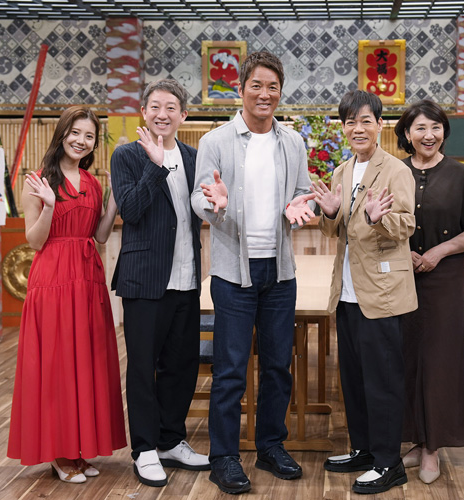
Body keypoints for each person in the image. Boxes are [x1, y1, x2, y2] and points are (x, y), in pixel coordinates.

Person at [192, 50, 316, 495]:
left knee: (278, 365)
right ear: (241, 89)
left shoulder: (292, 142)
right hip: (233, 273)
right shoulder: (216, 141)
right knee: (230, 368)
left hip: (280, 271)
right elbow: (199, 198)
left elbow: (302, 192)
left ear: (280, 92)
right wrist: (216, 204)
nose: (265, 94)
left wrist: (302, 206)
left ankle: (270, 445)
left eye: (273, 87)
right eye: (257, 85)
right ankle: (223, 457)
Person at [7, 106, 125, 482]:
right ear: (62, 134)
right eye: (76, 133)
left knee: (86, 363)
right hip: (53, 279)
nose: (81, 141)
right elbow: (35, 240)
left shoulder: (91, 182)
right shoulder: (37, 181)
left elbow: (100, 235)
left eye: (89, 136)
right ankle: (59, 453)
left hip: (87, 278)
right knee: (57, 365)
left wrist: (115, 196)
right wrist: (50, 205)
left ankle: (79, 449)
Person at [311, 90, 417, 495]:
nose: (358, 128)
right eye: (350, 122)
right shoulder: (342, 171)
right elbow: (333, 230)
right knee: (353, 379)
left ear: (379, 125)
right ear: (344, 128)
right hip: (347, 292)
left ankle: (389, 462)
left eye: (365, 121)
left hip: (382, 292)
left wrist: (379, 218)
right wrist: (329, 212)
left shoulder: (396, 170)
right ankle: (364, 449)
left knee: (382, 380)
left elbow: (406, 225)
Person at [110, 79, 209, 488]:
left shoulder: (194, 156)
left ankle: (171, 440)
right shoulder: (127, 155)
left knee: (182, 365)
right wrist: (155, 165)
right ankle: (145, 448)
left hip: (186, 278)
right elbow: (130, 211)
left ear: (183, 115)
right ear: (144, 112)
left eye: (171, 107)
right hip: (145, 280)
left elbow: (201, 210)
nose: (162, 114)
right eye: (155, 106)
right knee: (143, 367)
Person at [393, 100, 464, 484]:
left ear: (444, 131)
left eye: (435, 127)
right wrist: (404, 251)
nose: (428, 135)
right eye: (420, 128)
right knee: (407, 357)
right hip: (401, 276)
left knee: (440, 360)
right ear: (406, 134)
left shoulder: (460, 174)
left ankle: (433, 447)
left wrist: (438, 252)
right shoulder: (394, 171)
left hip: (444, 277)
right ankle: (415, 439)